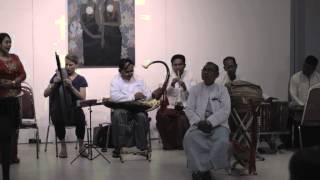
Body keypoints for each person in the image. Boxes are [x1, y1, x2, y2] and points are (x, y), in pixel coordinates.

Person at [183, 62, 231, 180]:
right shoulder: (195, 89)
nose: (206, 72)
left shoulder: (222, 90)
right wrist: (199, 122)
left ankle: (206, 168)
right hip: (199, 124)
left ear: (217, 74)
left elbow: (225, 110)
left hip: (218, 125)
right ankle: (198, 169)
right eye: (204, 69)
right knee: (190, 138)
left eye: (210, 70)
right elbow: (189, 109)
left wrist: (210, 122)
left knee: (222, 140)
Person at [44, 54, 88, 158]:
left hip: (74, 108)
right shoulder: (57, 76)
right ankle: (63, 148)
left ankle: (81, 147)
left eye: (71, 65)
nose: (68, 67)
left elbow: (82, 97)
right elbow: (45, 94)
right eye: (66, 64)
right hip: (60, 109)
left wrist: (71, 86)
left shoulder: (81, 79)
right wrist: (55, 83)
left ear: (76, 65)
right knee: (57, 117)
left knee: (81, 119)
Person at [110, 58, 152, 158]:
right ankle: (118, 147)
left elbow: (148, 94)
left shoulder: (139, 79)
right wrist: (133, 96)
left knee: (142, 116)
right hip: (122, 108)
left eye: (132, 71)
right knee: (118, 114)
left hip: (137, 108)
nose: (130, 73)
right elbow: (114, 97)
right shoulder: (115, 80)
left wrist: (146, 97)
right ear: (120, 71)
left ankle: (143, 147)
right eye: (127, 71)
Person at [0, 32, 26, 180]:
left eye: (10, 42)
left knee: (11, 135)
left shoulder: (15, 58)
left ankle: (10, 160)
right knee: (3, 136)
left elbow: (23, 74)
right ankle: (5, 175)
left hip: (13, 102)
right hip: (1, 103)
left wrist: (14, 81)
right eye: (6, 42)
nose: (9, 45)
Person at [156, 54, 194, 150]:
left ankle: (181, 144)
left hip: (185, 107)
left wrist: (185, 87)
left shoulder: (190, 76)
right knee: (162, 116)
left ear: (184, 65)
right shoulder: (167, 76)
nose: (177, 67)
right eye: (175, 65)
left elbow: (194, 95)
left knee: (182, 119)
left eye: (180, 64)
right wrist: (172, 85)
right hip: (171, 107)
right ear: (172, 65)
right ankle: (168, 144)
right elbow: (162, 93)